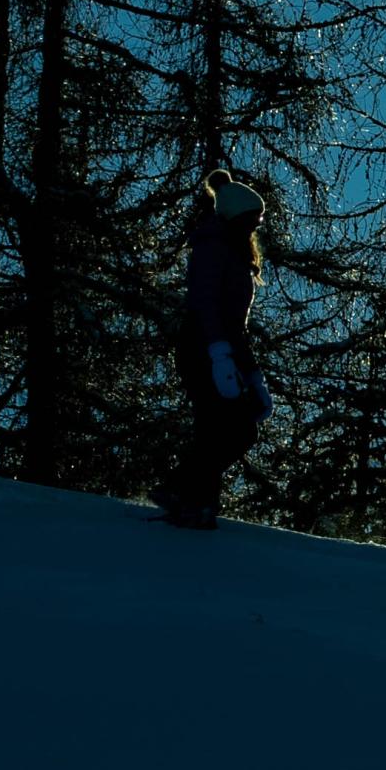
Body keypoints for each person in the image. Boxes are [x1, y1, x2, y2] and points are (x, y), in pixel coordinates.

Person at [162, 168, 272, 530]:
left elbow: (236, 323)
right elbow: (205, 303)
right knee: (219, 428)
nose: (256, 226)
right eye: (252, 219)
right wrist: (218, 353)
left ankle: (184, 492)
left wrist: (252, 374)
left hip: (222, 349)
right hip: (201, 348)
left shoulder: (235, 253)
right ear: (237, 217)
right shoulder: (213, 248)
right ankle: (194, 502)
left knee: (239, 429)